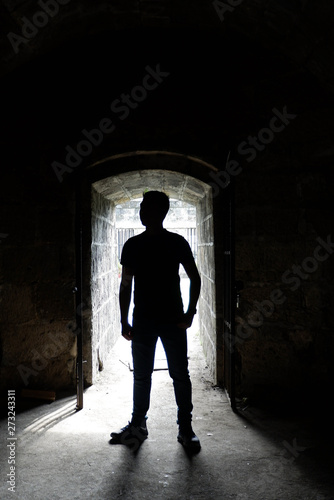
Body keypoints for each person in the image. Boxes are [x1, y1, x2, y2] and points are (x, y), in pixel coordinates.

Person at [110, 190, 201, 451]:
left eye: (145, 207)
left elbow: (195, 278)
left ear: (159, 212)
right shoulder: (134, 245)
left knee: (179, 374)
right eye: (140, 207)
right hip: (149, 320)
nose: (140, 212)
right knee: (144, 375)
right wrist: (123, 319)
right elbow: (125, 285)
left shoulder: (174, 242)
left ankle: (184, 428)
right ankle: (140, 424)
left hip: (169, 320)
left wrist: (190, 313)